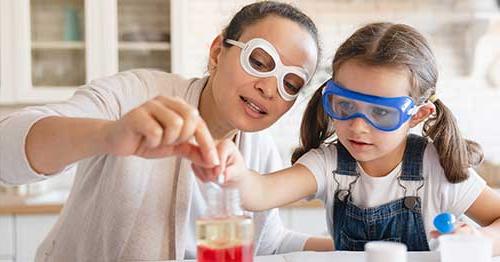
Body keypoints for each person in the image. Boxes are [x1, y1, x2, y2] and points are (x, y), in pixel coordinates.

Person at [0, 2, 334, 261]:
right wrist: (109, 135)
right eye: (259, 62)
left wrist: (364, 248)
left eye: (290, 84)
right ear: (218, 53)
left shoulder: (260, 150)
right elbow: (7, 150)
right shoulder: (135, 95)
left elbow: (268, 242)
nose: (269, 88)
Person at [197, 22, 500, 254]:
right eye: (345, 106)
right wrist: (235, 170)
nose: (357, 127)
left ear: (417, 116)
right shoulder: (329, 162)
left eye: (380, 113)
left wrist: (481, 238)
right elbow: (259, 193)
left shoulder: (435, 168)